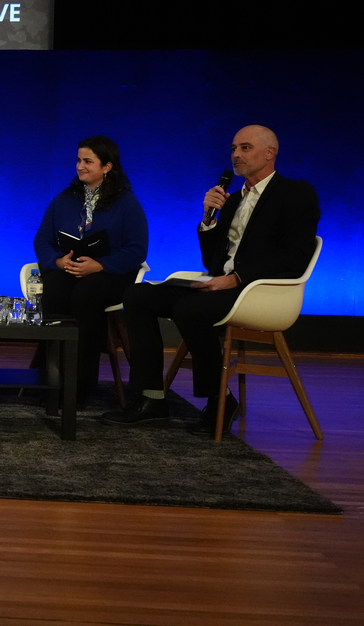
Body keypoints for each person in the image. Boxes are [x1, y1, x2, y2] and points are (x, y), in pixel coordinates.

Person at [102, 125, 320, 434]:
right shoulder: (232, 200)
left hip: (258, 291)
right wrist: (209, 220)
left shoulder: (295, 193)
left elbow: (295, 256)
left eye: (245, 148)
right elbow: (212, 263)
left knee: (189, 309)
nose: (236, 154)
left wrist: (237, 278)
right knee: (137, 295)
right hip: (220, 284)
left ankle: (220, 400)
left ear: (269, 153)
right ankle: (151, 399)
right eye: (233, 148)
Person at [33, 136, 148, 403]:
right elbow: (42, 240)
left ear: (107, 167)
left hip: (111, 274)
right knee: (54, 289)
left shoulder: (126, 203)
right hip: (69, 268)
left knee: (85, 295)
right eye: (78, 160)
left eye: (88, 161)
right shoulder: (64, 199)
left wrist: (101, 265)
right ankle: (50, 376)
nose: (80, 166)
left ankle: (80, 383)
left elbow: (137, 249)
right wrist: (58, 261)